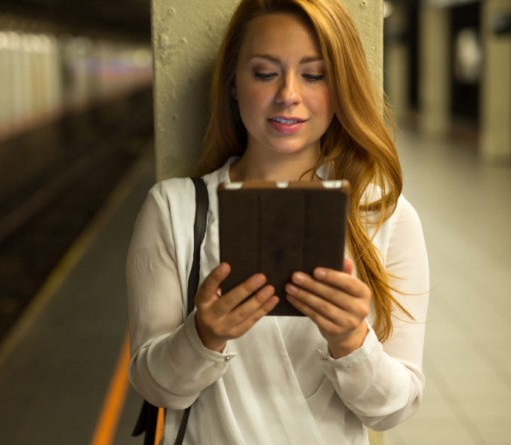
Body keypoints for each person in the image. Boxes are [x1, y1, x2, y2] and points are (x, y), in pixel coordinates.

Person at [126, 0, 429, 443]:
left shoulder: (382, 215)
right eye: (265, 73)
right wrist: (202, 337)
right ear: (233, 83)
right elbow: (153, 386)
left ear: (340, 86)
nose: (288, 94)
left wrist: (351, 340)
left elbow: (394, 408)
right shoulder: (175, 209)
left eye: (314, 74)